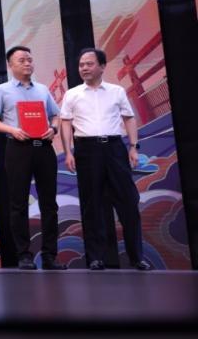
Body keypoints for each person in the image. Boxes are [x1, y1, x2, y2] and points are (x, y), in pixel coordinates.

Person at [59, 48, 152, 271]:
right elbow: (65, 123)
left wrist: (133, 147)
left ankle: (136, 257)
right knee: (92, 205)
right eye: (81, 65)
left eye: (89, 64)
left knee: (128, 202)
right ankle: (96, 258)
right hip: (86, 150)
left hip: (114, 148)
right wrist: (68, 152)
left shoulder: (116, 91)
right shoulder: (72, 94)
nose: (84, 68)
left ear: (102, 66)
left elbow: (129, 118)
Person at [0, 45, 66, 270]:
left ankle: (50, 256)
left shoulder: (42, 89)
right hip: (18, 148)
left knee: (49, 204)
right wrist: (12, 130)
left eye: (29, 59)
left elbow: (56, 115)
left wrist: (53, 128)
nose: (27, 63)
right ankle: (24, 255)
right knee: (19, 204)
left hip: (44, 148)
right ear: (10, 65)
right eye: (21, 60)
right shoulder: (2, 90)